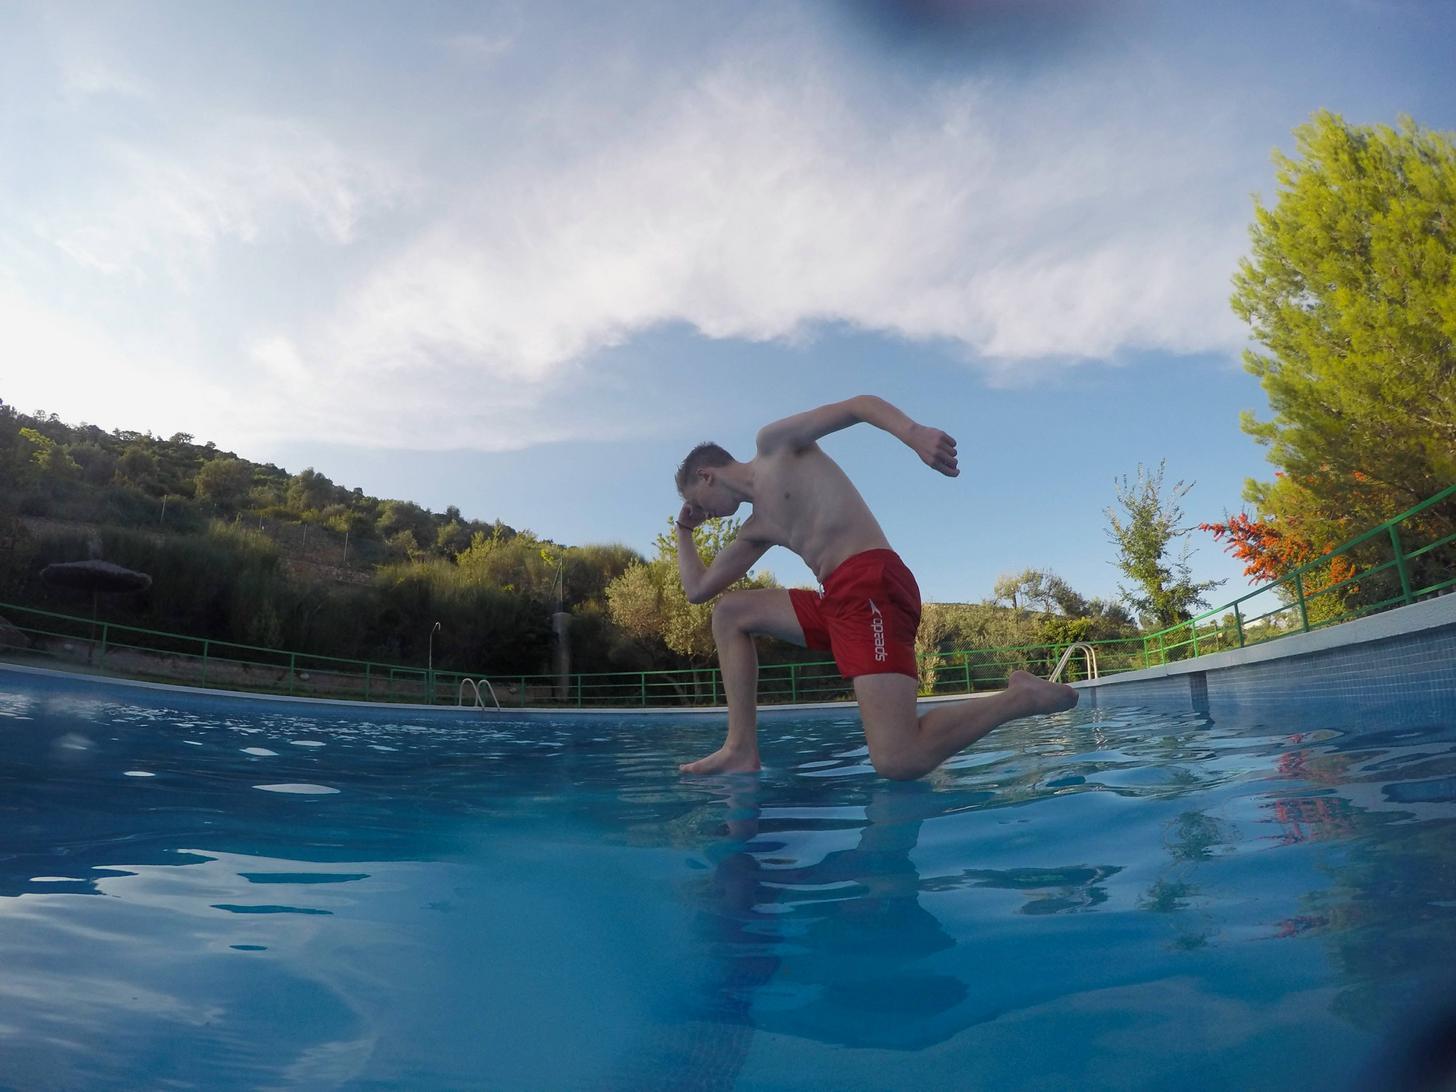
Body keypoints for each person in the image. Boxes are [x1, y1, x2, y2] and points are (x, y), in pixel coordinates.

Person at [673, 394, 1077, 779]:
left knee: (899, 760)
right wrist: (683, 531)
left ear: (706, 476)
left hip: (872, 586)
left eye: (699, 503)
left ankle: (1021, 697)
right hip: (838, 600)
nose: (703, 514)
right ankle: (740, 749)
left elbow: (857, 406)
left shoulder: (774, 445)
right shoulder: (755, 529)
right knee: (729, 613)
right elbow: (699, 589)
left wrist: (913, 433)